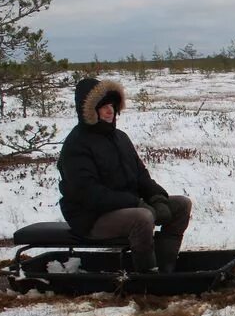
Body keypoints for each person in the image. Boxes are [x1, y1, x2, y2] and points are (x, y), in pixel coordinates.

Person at [57, 78, 192, 273]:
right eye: (103, 107)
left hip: (126, 207)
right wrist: (135, 203)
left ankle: (165, 266)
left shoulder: (120, 138)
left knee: (181, 205)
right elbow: (90, 194)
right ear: (89, 111)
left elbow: (141, 176)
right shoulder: (76, 145)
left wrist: (157, 198)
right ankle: (146, 276)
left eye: (111, 105)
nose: (110, 111)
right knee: (142, 217)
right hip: (91, 218)